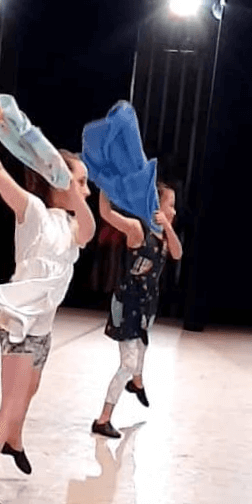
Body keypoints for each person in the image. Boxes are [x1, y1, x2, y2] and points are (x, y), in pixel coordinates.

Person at [0, 119, 95, 504]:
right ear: (57, 181)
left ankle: (14, 440)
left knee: (31, 390)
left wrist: (73, 190)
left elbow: (89, 227)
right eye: (80, 182)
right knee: (10, 407)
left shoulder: (72, 225)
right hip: (20, 328)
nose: (85, 190)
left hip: (43, 330)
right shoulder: (33, 212)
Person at [92, 182, 182, 439]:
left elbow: (177, 254)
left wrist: (167, 226)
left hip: (147, 304)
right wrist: (105, 185)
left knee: (142, 347)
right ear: (156, 206)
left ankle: (137, 382)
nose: (174, 211)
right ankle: (103, 419)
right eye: (170, 205)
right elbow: (106, 214)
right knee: (128, 363)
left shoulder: (164, 236)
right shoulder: (137, 229)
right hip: (128, 302)